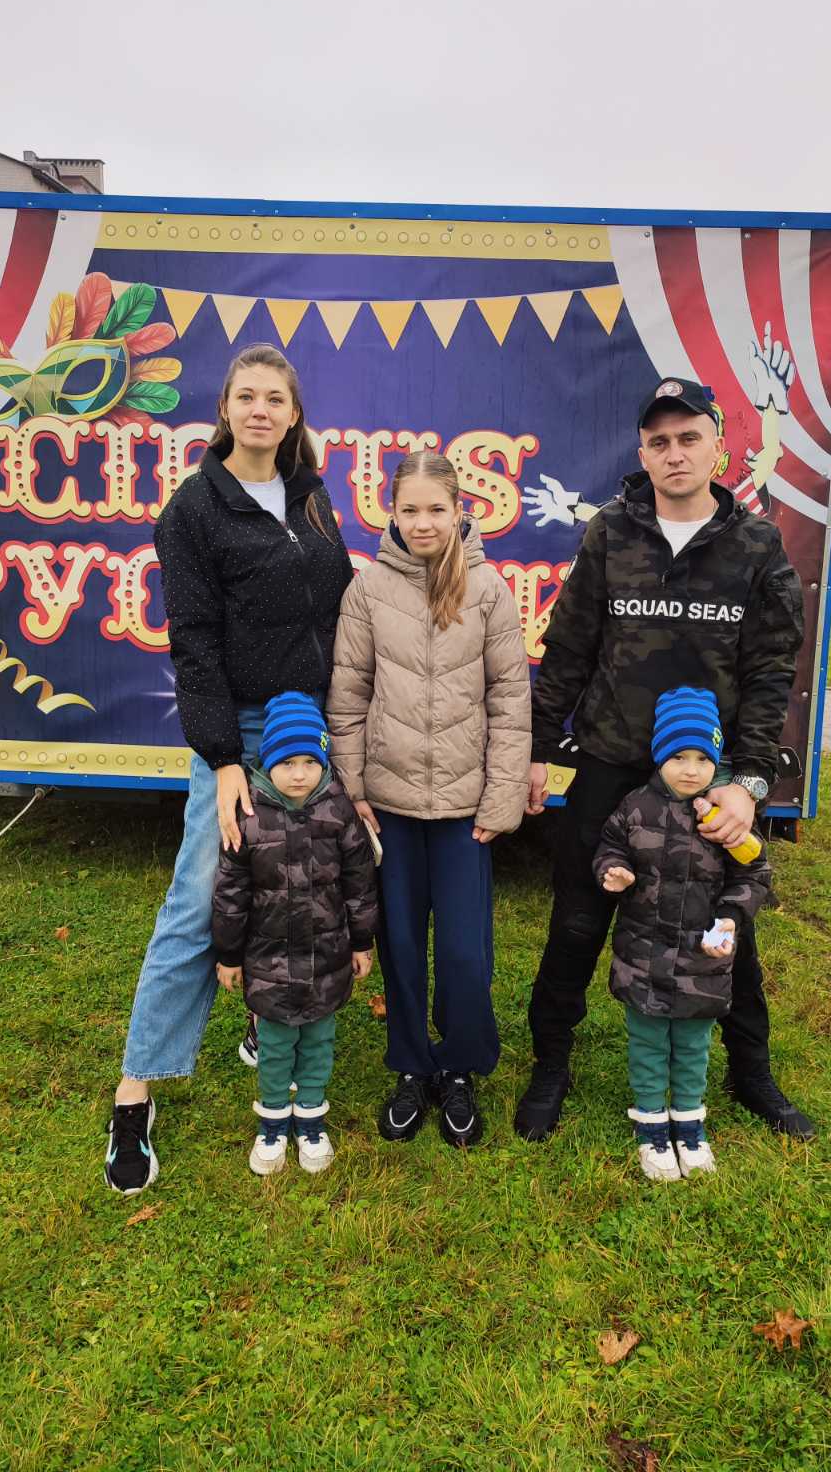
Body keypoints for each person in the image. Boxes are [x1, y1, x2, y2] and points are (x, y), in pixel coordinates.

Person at [514, 376, 812, 1143]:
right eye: (659, 441)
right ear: (643, 454)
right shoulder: (611, 533)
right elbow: (568, 650)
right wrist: (538, 750)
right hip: (613, 765)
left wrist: (749, 784)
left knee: (726, 929)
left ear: (718, 445)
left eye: (688, 438)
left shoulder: (756, 545)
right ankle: (551, 1063)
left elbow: (770, 673)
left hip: (709, 779)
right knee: (577, 920)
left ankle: (751, 1073)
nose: (674, 453)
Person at [104, 345, 353, 1196]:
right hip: (243, 731)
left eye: (274, 398)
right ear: (225, 409)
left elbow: (338, 605)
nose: (259, 410)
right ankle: (135, 1090)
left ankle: (268, 1017)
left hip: (312, 725)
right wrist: (220, 759)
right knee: (199, 896)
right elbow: (195, 643)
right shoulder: (193, 511)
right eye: (246, 396)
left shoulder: (312, 496)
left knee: (307, 884)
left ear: (293, 413)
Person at [327, 451, 531, 1148]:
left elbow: (510, 701)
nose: (423, 523)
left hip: (465, 813)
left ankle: (460, 1066)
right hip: (389, 808)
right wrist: (354, 789)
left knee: (466, 955)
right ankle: (412, 1066)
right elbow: (348, 696)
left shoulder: (488, 590)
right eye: (409, 510)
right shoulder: (368, 589)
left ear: (458, 510)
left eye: (435, 509)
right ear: (391, 512)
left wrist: (501, 798)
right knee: (403, 947)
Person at [593, 686, 773, 1182]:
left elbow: (754, 872)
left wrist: (732, 916)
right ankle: (651, 1124)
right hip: (643, 957)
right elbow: (609, 847)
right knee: (648, 1043)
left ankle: (690, 1123)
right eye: (678, 756)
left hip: (702, 962)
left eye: (703, 758)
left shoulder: (723, 818)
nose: (691, 770)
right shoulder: (635, 807)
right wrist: (613, 871)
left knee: (694, 1046)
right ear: (658, 755)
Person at [212, 692, 378, 1175]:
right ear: (268, 761)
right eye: (287, 762)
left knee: (319, 1042)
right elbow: (230, 893)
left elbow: (360, 884)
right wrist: (229, 955)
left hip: (328, 958)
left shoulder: (339, 811)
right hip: (269, 964)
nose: (300, 773)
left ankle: (310, 1119)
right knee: (277, 1045)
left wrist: (362, 942)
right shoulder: (248, 817)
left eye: (310, 762)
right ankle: (271, 1124)